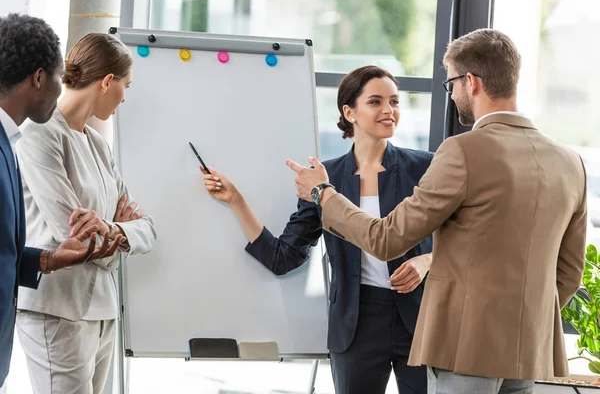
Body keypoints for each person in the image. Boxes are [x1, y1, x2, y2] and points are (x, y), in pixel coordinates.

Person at [288, 29, 587, 394]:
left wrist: (322, 193)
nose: (453, 95)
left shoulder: (463, 151)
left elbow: (385, 240)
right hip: (526, 352)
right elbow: (570, 272)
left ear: (471, 83)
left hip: (465, 350)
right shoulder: (571, 162)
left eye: (451, 85)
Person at [202, 66, 434, 394]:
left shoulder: (425, 167)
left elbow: (465, 240)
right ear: (349, 112)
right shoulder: (326, 178)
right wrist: (236, 200)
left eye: (394, 102)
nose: (389, 110)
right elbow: (284, 257)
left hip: (420, 317)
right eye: (376, 101)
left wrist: (427, 262)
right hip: (357, 322)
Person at [15, 32, 157, 394]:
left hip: (103, 311)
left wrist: (115, 232)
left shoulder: (97, 143)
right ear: (107, 82)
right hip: (58, 309)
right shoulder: (40, 135)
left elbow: (148, 229)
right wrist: (120, 235)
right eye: (126, 85)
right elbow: (73, 238)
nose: (125, 96)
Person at [0, 14, 124, 394]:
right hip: (52, 313)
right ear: (40, 77)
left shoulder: (10, 143)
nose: (63, 88)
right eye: (59, 75)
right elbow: (69, 227)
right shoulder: (30, 140)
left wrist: (46, 260)